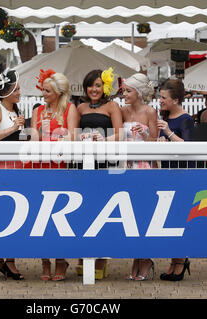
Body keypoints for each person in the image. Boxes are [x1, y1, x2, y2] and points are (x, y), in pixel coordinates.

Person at [30, 69, 79, 281]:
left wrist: (58, 139)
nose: (44, 94)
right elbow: (32, 139)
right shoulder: (38, 111)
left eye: (47, 91)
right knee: (40, 215)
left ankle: (60, 259)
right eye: (43, 90)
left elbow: (73, 137)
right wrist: (41, 134)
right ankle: (45, 261)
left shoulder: (70, 109)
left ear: (58, 92)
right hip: (40, 165)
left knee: (59, 214)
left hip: (61, 166)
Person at [76, 68, 123, 280]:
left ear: (104, 87)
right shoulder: (80, 107)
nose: (94, 89)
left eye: (98, 85)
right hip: (83, 163)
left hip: (105, 161)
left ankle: (101, 259)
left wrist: (104, 140)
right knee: (84, 209)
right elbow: (73, 133)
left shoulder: (112, 106)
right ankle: (82, 257)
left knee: (104, 209)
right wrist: (82, 137)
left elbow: (120, 133)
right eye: (90, 85)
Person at [0, 69, 26, 280]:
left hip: (18, 167)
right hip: (2, 167)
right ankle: (4, 259)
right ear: (6, 90)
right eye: (16, 89)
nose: (19, 92)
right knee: (4, 214)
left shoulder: (15, 110)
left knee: (16, 215)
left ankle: (7, 260)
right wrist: (13, 129)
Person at [120, 73, 157, 281]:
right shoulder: (123, 111)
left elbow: (154, 139)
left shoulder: (150, 111)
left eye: (128, 91)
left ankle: (145, 257)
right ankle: (136, 256)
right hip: (127, 165)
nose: (124, 94)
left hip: (144, 165)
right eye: (124, 90)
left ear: (139, 92)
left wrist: (142, 135)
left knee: (144, 212)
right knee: (130, 214)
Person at [156, 79, 193, 282]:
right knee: (170, 217)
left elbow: (188, 145)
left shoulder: (186, 119)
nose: (160, 101)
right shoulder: (166, 117)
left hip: (182, 173)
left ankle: (180, 260)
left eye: (163, 98)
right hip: (167, 172)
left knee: (180, 216)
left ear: (175, 99)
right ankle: (174, 260)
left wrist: (168, 133)